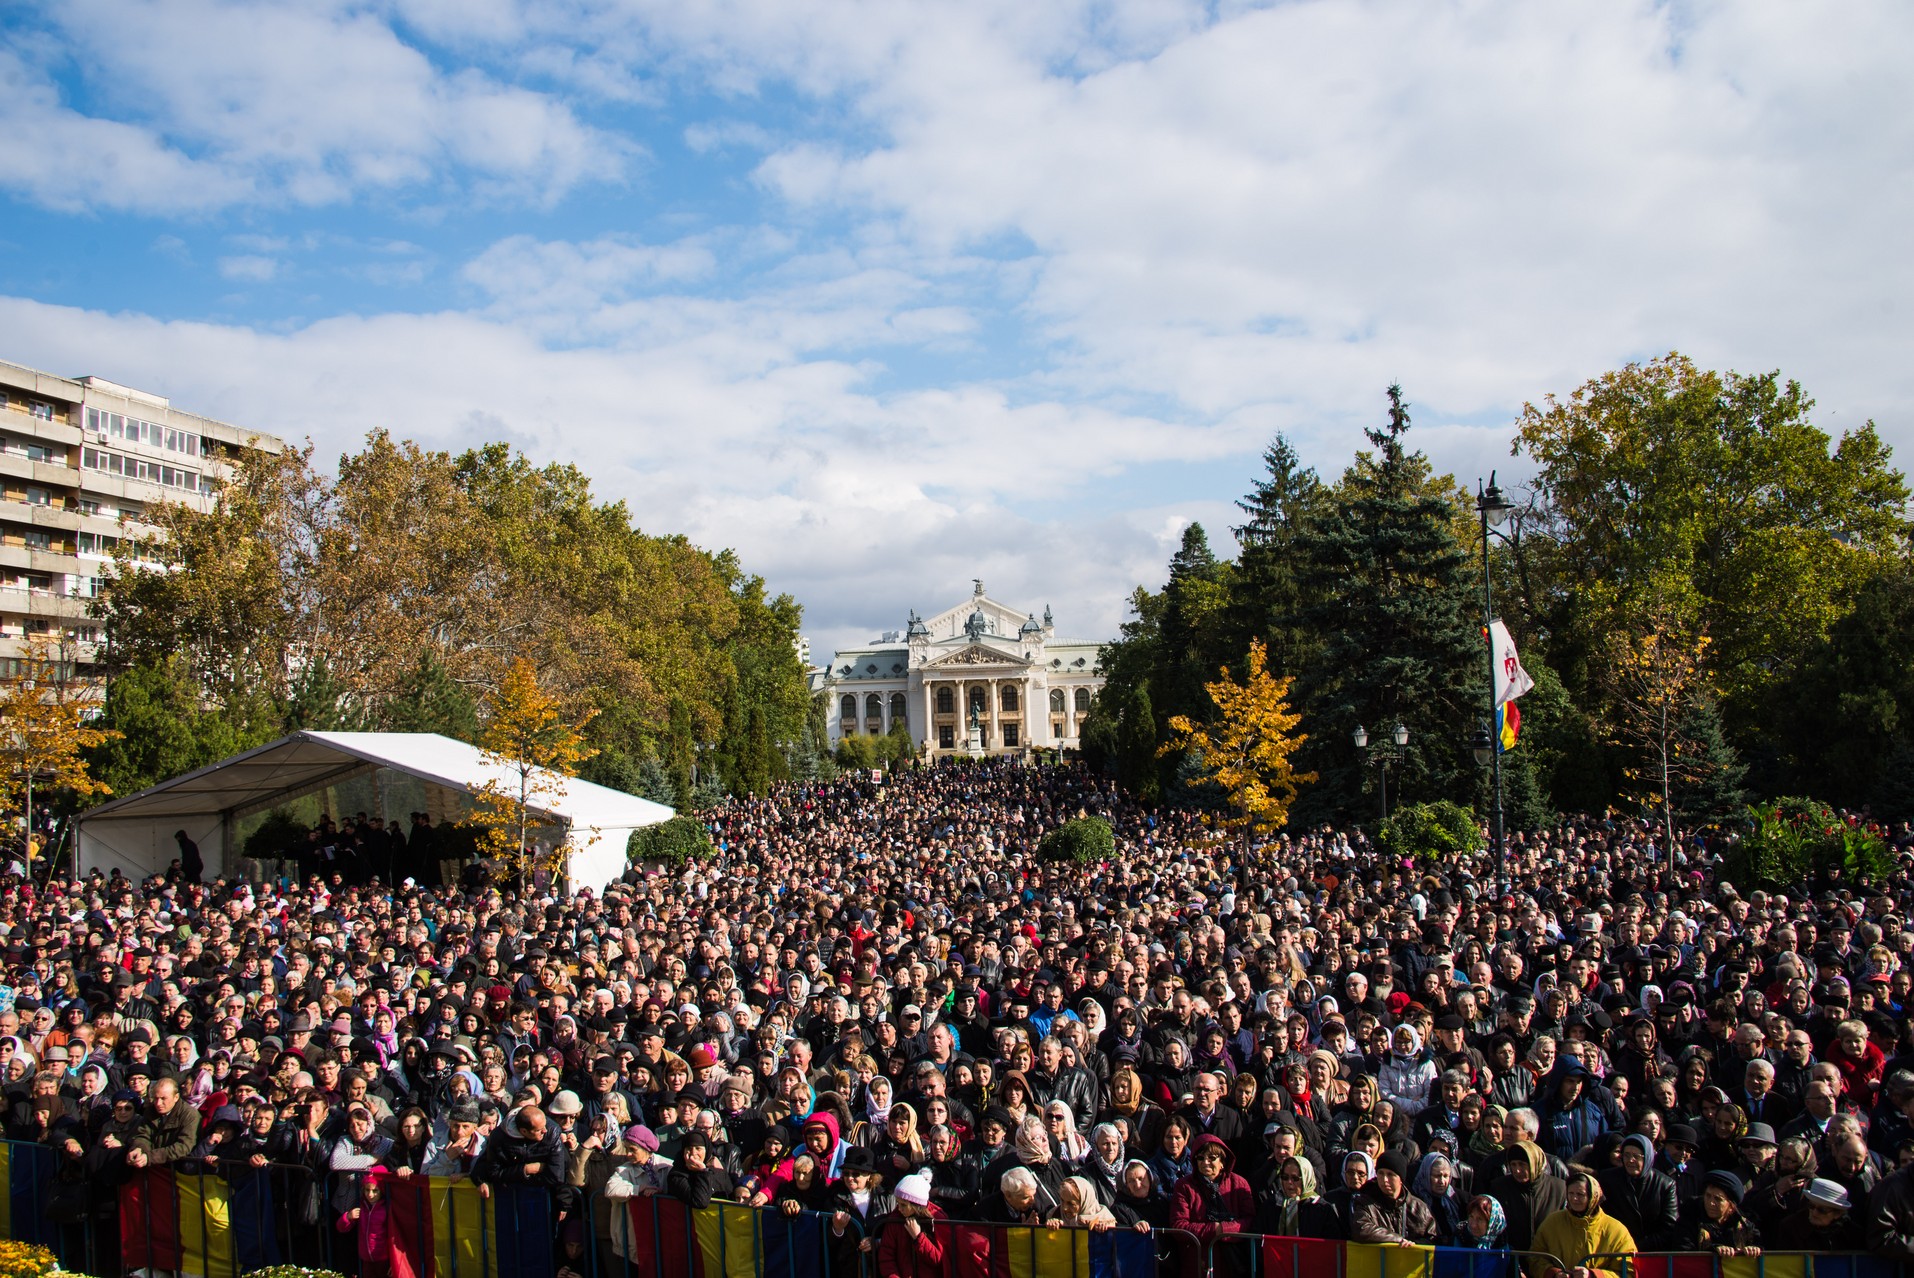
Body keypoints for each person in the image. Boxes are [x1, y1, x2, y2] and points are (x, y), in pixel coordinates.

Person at [1528, 1170, 1636, 1278]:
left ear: (1593, 1196)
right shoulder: (1552, 1222)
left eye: (1580, 1194)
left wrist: (1593, 1275)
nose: (1574, 1199)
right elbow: (1535, 1258)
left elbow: (1629, 1272)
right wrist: (1554, 1273)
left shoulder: (1616, 1230)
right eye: (1571, 1193)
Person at [1350, 1150, 1438, 1244]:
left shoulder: (1419, 1208)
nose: (1385, 1179)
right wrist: (1398, 1239)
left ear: (1401, 1178)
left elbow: (1433, 1238)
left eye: (1390, 1174)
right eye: (1381, 1173)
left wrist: (1413, 1245)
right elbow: (1361, 1229)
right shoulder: (1365, 1203)